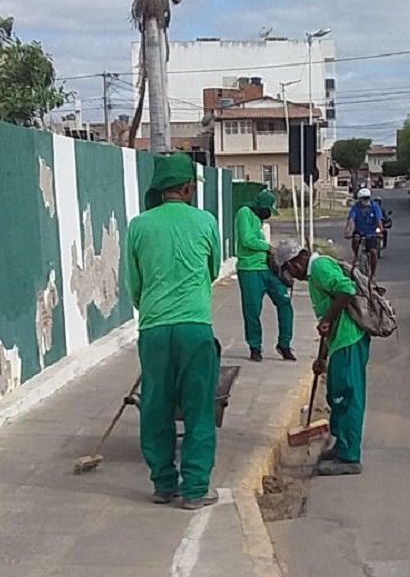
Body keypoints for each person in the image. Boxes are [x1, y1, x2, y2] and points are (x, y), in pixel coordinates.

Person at [126, 153, 222, 510]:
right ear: (185, 188)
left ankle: (163, 484)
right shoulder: (205, 221)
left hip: (153, 329)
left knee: (156, 406)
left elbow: (134, 284)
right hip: (195, 327)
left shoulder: (138, 225)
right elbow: (212, 269)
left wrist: (154, 308)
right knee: (198, 408)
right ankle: (195, 489)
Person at [276, 238, 370, 476]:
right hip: (340, 342)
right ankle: (342, 446)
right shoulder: (314, 275)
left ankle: (350, 457)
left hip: (349, 340)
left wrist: (327, 318)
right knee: (336, 394)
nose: (291, 275)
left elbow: (346, 290)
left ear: (295, 262)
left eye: (288, 269)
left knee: (347, 396)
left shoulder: (319, 268)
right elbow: (328, 322)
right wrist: (322, 357)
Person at [234, 190, 296, 362]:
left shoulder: (259, 220)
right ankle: (255, 346)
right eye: (267, 210)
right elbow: (247, 240)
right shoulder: (245, 213)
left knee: (284, 301)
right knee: (252, 309)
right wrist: (268, 247)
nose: (268, 214)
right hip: (250, 269)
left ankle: (284, 343)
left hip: (267, 268)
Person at [345, 187, 384, 280]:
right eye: (363, 198)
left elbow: (379, 220)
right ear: (360, 199)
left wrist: (380, 230)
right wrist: (347, 231)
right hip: (360, 231)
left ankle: (373, 274)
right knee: (355, 239)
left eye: (367, 198)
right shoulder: (356, 207)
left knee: (373, 252)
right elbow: (351, 220)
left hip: (371, 232)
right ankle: (355, 256)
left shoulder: (375, 206)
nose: (365, 200)